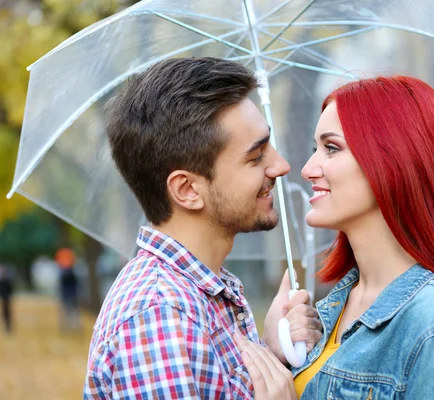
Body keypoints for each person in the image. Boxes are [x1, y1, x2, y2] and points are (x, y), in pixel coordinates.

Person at [239, 76, 434, 400]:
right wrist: (278, 353)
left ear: (391, 160)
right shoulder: (333, 308)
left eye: (331, 148)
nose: (307, 168)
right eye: (315, 148)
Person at [84, 58, 322, 399]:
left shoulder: (203, 292)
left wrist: (272, 355)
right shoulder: (160, 319)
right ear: (187, 190)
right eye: (255, 157)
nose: (281, 165)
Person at [55, 247, 80, 331]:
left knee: (67, 311)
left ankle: (67, 327)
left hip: (66, 294)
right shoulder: (71, 272)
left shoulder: (63, 272)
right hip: (71, 294)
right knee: (72, 311)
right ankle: (72, 327)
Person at [0, 264, 14, 333]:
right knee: (4, 314)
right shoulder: (2, 282)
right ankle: (6, 327)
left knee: (7, 314)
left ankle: (8, 328)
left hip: (7, 299)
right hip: (4, 299)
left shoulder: (7, 281)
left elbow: (10, 291)